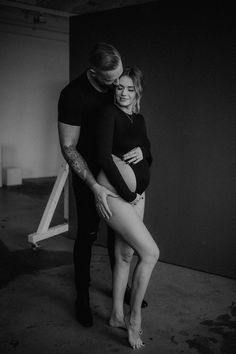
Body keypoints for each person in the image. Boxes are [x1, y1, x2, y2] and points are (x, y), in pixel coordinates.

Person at [57, 43, 147, 328]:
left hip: (117, 172)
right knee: (87, 232)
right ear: (93, 72)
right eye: (112, 82)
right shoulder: (72, 95)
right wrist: (95, 186)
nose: (117, 89)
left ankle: (120, 292)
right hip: (90, 175)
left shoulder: (116, 85)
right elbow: (68, 148)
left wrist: (141, 151)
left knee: (118, 237)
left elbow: (132, 117)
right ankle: (82, 296)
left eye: (120, 80)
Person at [96, 66, 159, 349]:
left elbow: (149, 151)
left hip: (136, 195)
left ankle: (116, 316)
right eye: (119, 87)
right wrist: (128, 193)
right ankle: (134, 322)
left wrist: (143, 152)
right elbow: (103, 158)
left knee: (125, 255)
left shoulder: (139, 118)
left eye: (129, 88)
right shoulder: (109, 114)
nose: (123, 93)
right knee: (151, 253)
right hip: (115, 192)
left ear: (137, 92)